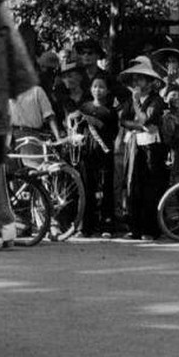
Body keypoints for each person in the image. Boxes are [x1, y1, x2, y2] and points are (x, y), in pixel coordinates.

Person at [118, 57, 169, 240]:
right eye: (135, 79)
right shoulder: (130, 100)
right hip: (134, 145)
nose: (136, 83)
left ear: (149, 82)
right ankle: (134, 228)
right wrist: (140, 125)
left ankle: (150, 229)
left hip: (151, 147)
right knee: (133, 186)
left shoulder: (156, 100)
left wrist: (137, 103)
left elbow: (148, 119)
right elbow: (124, 120)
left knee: (150, 187)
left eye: (140, 79)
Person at [75, 76, 119, 237]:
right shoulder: (84, 107)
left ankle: (106, 225)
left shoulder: (111, 111)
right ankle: (86, 226)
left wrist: (98, 123)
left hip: (104, 152)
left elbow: (113, 132)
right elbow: (78, 128)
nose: (97, 90)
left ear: (107, 91)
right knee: (87, 187)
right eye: (94, 86)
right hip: (87, 152)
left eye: (101, 87)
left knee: (106, 187)